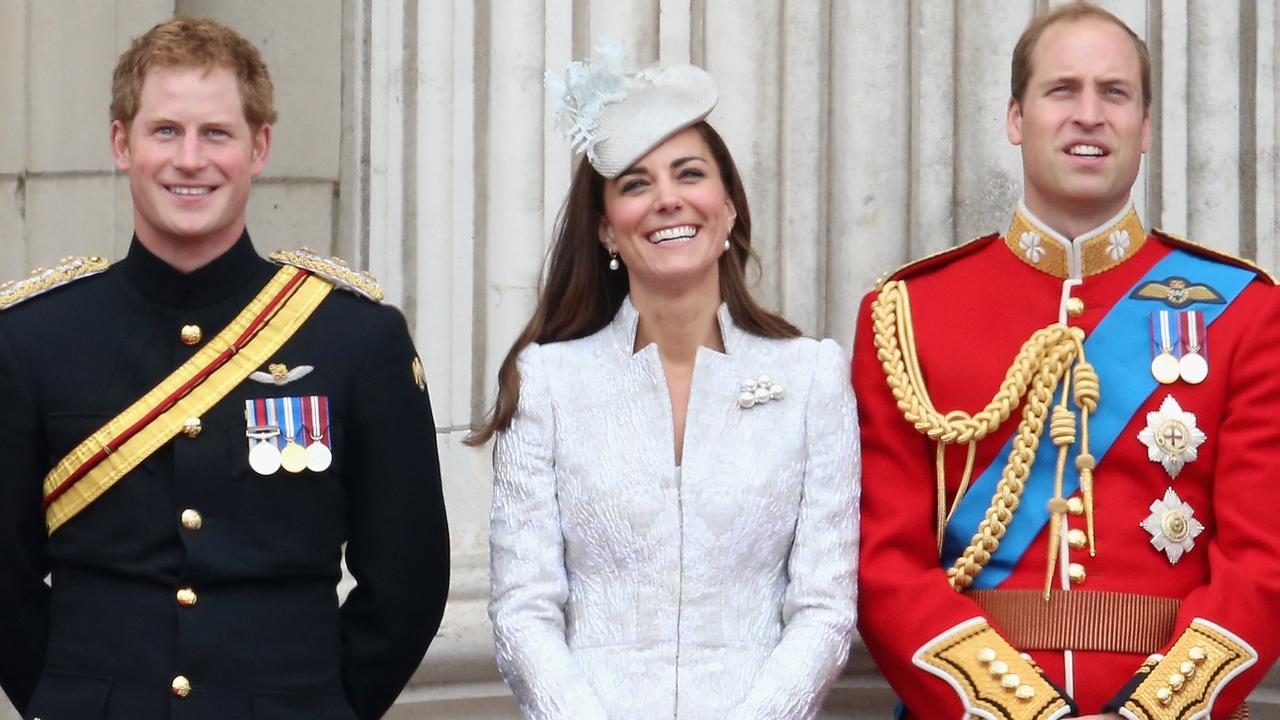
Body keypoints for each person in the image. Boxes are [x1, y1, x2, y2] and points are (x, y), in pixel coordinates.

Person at [0, 17, 449, 720]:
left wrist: (319, 707)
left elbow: (408, 581)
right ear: (122, 144)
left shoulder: (355, 340)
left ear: (258, 147)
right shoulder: (32, 340)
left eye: (216, 133)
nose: (190, 159)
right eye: (165, 131)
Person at [853, 2, 1280, 718]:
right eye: (1062, 90)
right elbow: (883, 563)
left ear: (1145, 127)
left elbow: (1262, 563)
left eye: (1114, 93)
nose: (1089, 113)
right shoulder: (908, 311)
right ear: (1016, 118)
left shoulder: (1245, 312)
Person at [472, 45, 859, 719]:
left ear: (729, 207)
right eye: (635, 183)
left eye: (689, 174)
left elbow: (824, 609)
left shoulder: (812, 375)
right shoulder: (549, 382)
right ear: (606, 229)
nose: (668, 199)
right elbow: (523, 610)